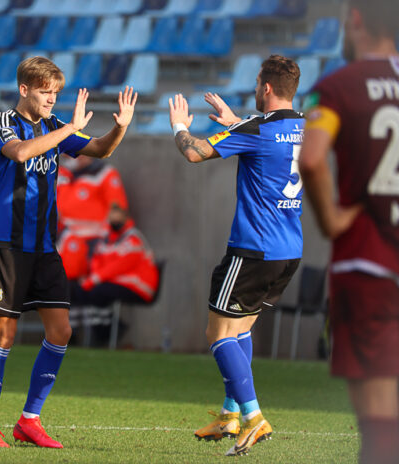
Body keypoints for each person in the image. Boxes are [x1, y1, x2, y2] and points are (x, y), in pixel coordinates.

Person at [0, 56, 138, 449]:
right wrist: (69, 130)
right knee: (4, 332)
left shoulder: (56, 126)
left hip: (45, 248)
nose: (51, 99)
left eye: (56, 93)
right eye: (45, 92)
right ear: (24, 89)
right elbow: (21, 154)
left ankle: (29, 419)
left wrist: (119, 127)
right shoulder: (3, 122)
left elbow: (99, 150)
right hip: (6, 245)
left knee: (61, 331)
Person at [169, 55, 305, 456]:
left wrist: (179, 126)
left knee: (217, 335)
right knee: (241, 330)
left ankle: (252, 416)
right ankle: (230, 415)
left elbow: (194, 153)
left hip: (252, 249)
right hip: (288, 251)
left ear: (265, 88)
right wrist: (233, 121)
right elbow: (269, 144)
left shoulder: (256, 128)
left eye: (257, 82)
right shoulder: (301, 125)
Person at [298, 2, 399, 462]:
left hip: (369, 264)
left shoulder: (336, 88)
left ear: (356, 18)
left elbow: (312, 159)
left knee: (378, 417)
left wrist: (332, 219)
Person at [69, 203, 159, 345]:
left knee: (98, 292)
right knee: (81, 292)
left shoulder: (133, 238)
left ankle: (104, 333)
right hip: (115, 282)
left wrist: (94, 279)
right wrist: (91, 278)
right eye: (112, 217)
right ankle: (79, 334)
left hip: (138, 285)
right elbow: (97, 259)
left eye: (118, 218)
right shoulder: (107, 238)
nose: (114, 221)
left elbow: (119, 266)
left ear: (126, 217)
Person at [57, 154, 129, 280]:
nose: (67, 159)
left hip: (96, 243)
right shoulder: (62, 174)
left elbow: (118, 213)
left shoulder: (104, 174)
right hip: (63, 237)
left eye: (70, 155)